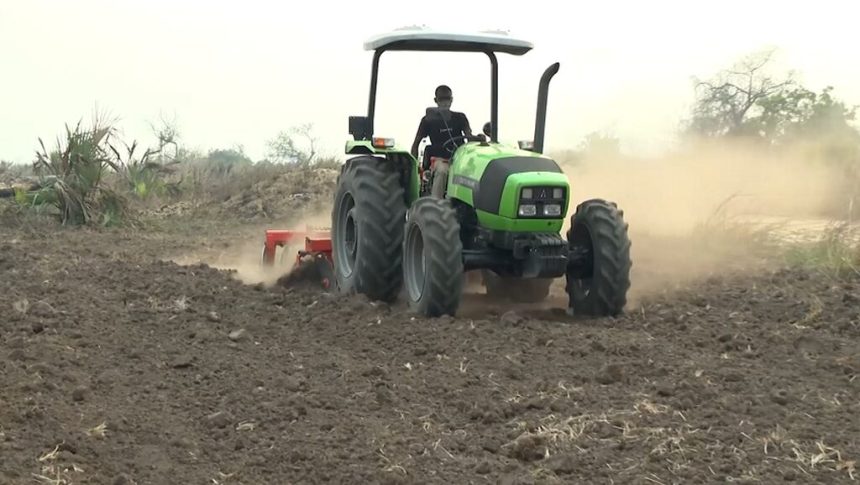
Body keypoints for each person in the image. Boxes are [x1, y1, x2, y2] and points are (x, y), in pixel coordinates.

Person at [410, 85, 474, 165]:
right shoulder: (427, 120)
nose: (445, 103)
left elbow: (469, 137)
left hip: (459, 157)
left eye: (447, 99)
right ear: (435, 100)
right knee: (442, 170)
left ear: (451, 100)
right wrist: (415, 166)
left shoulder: (460, 117)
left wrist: (478, 139)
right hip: (438, 159)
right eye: (441, 99)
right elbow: (416, 143)